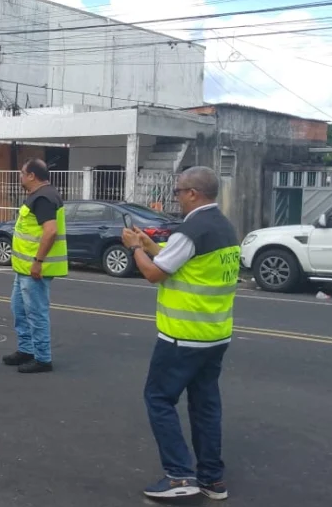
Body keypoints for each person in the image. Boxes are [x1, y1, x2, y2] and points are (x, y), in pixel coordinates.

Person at [122, 166, 239, 501]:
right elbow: (183, 264)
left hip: (182, 336)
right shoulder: (224, 227)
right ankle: (212, 479)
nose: (176, 197)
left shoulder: (191, 230)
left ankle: (178, 476)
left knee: (159, 398)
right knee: (205, 406)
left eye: (178, 191)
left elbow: (153, 274)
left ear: (192, 193)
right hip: (215, 334)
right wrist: (151, 244)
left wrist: (135, 248)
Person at [2, 159, 68, 373]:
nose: (20, 176)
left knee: (36, 313)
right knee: (19, 309)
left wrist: (38, 262)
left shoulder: (44, 198)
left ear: (32, 176)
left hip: (34, 269)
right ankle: (26, 350)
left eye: (22, 173)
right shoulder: (39, 194)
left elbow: (50, 231)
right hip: (24, 268)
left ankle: (42, 358)